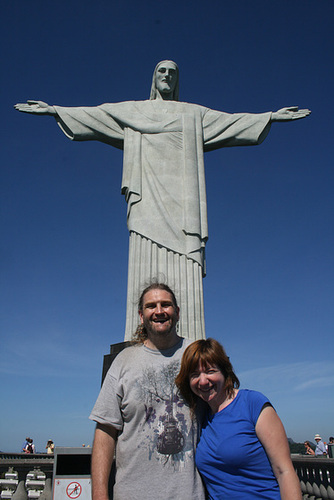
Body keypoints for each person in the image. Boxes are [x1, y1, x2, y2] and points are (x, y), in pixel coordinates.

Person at [14, 61, 311, 342]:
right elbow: (97, 115)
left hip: (184, 206)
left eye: (172, 72)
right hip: (146, 200)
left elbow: (231, 123)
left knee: (186, 262)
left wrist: (269, 116)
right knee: (143, 255)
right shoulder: (134, 110)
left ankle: (190, 339)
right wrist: (54, 110)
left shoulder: (193, 114)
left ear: (177, 79)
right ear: (154, 79)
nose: (167, 76)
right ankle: (140, 340)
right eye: (161, 71)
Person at [89, 283, 206, 500]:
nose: (159, 311)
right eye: (151, 306)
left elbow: (227, 407)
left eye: (166, 305)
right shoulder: (123, 362)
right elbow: (105, 430)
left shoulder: (197, 355)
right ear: (142, 316)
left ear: (177, 312)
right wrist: (99, 495)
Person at [175, 338, 302, 500]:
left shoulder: (252, 404)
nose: (203, 381)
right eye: (194, 375)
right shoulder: (201, 416)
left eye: (210, 371)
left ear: (224, 371)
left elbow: (284, 472)